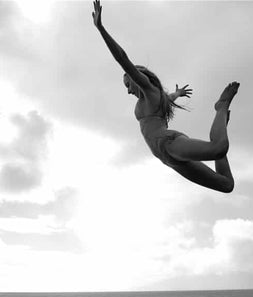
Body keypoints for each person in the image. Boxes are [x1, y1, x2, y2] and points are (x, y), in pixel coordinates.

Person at [92, 0, 239, 193]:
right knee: (226, 185)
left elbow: (122, 58)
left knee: (218, 148)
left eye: (128, 84)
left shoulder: (148, 91)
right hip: (166, 156)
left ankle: (221, 107)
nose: (128, 90)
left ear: (138, 78)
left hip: (169, 144)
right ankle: (221, 127)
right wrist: (177, 93)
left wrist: (101, 29)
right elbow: (167, 99)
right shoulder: (155, 98)